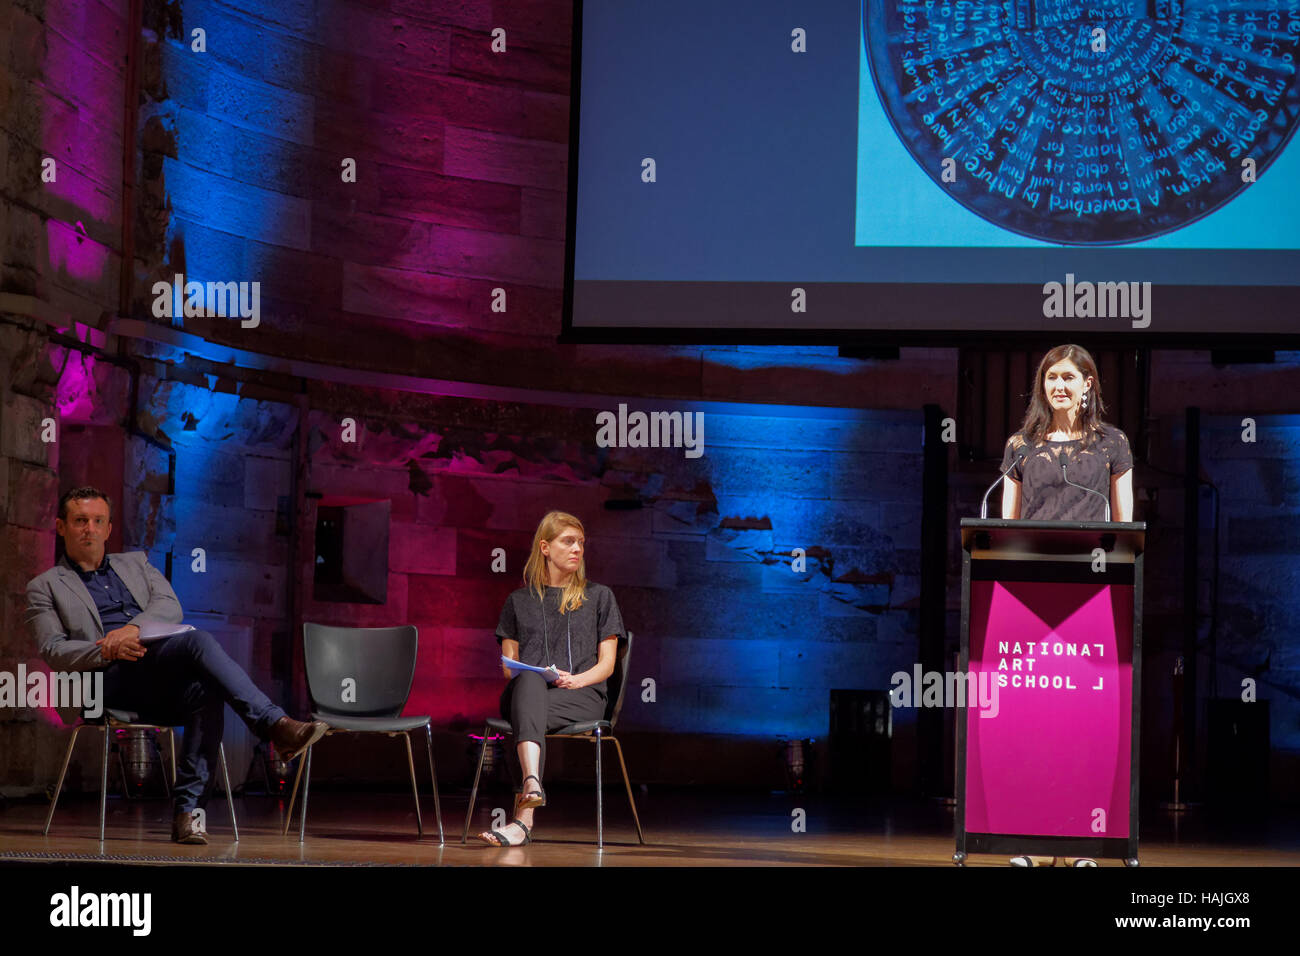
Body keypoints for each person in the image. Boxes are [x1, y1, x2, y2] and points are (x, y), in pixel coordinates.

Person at [26, 486, 328, 844]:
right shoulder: (44, 586)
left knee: (205, 690)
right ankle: (273, 724)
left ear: (108, 529)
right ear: (61, 527)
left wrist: (132, 630)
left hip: (152, 667)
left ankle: (189, 814)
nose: (89, 529)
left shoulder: (135, 563)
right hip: (101, 679)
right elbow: (53, 650)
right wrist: (107, 649)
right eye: (79, 521)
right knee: (198, 641)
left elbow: (171, 607)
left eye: (97, 521)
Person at [999, 344, 1134, 867]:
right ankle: (1030, 842)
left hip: (1093, 597)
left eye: (1068, 378)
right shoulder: (1021, 445)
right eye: (1050, 377)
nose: (1058, 385)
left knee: (1082, 726)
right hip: (1030, 599)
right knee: (1033, 724)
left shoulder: (1111, 445)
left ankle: (1081, 844)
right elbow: (1005, 529)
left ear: (1088, 386)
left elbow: (1125, 526)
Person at [477, 511, 625, 847]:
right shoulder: (518, 601)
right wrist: (538, 672)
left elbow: (608, 665)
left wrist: (577, 680)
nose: (577, 549)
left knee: (525, 714)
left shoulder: (599, 596)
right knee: (528, 686)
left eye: (581, 543)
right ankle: (531, 787)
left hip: (582, 695)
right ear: (545, 547)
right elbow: (509, 669)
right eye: (568, 542)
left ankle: (523, 816)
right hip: (529, 692)